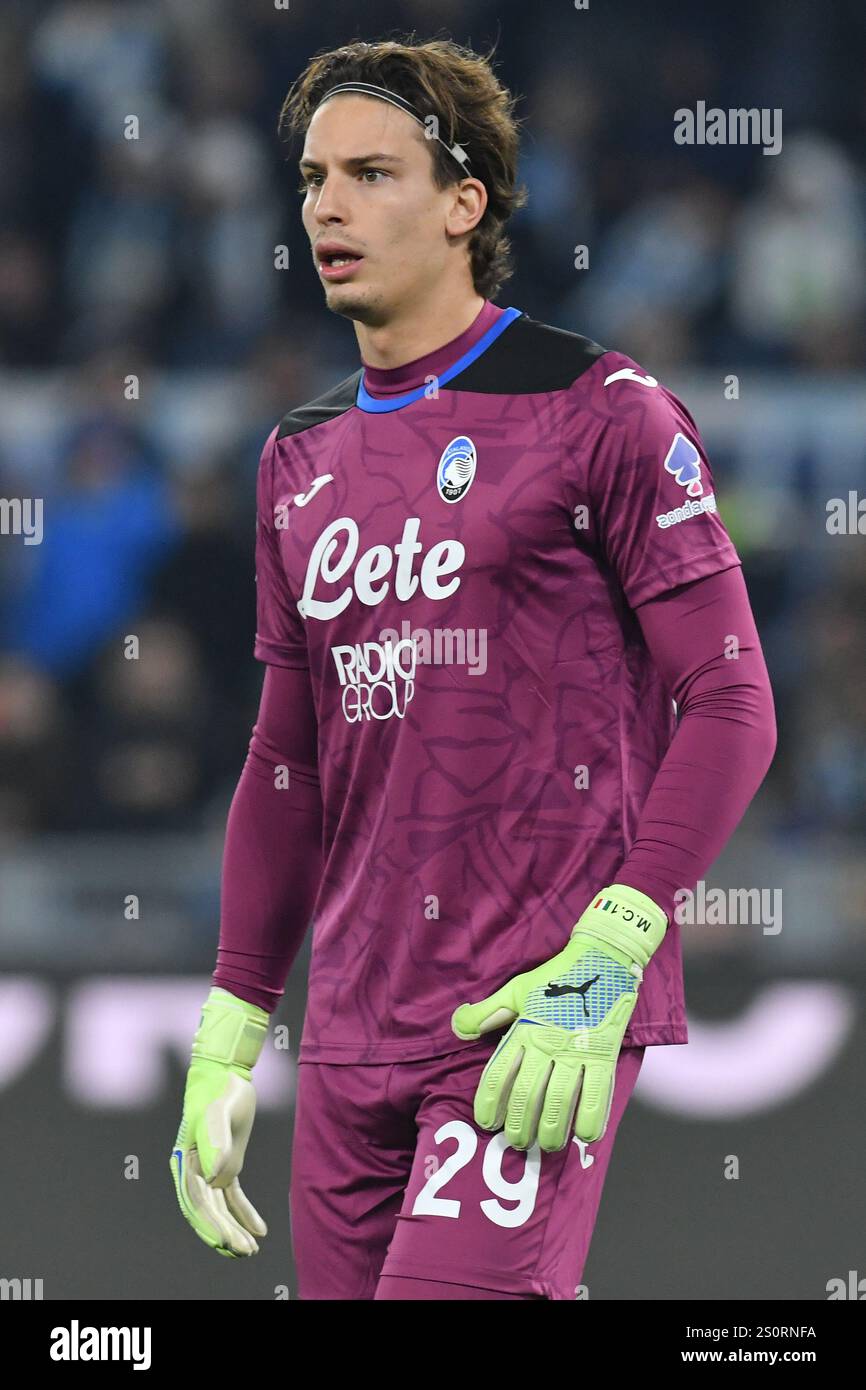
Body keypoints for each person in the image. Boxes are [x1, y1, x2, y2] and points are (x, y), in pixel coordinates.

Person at [169, 36, 776, 1301]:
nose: (326, 206)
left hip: (529, 1008)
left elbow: (727, 700)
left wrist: (615, 942)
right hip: (349, 1032)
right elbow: (286, 761)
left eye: (372, 172)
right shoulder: (299, 456)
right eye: (313, 176)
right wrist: (233, 1023)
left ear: (465, 204)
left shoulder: (602, 409)